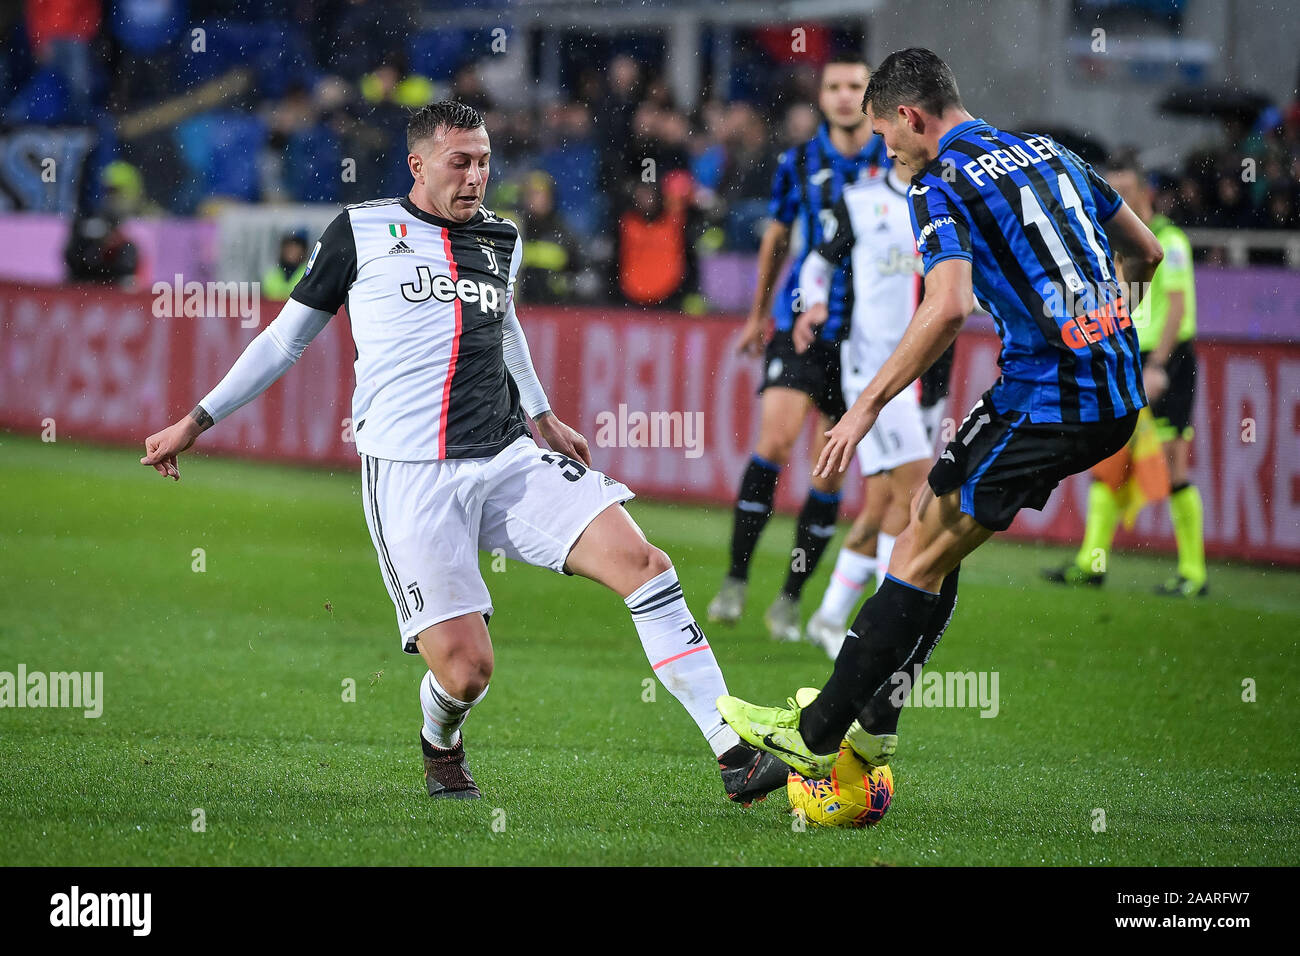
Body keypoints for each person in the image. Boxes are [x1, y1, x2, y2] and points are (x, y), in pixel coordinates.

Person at [140, 101, 787, 806]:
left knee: (645, 564)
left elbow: (504, 324)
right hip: (411, 475)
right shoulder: (360, 231)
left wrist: (541, 413)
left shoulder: (500, 239)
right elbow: (283, 341)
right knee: (467, 671)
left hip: (506, 454)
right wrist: (197, 419)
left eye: (484, 160)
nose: (477, 174)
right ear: (418, 165)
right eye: (461, 161)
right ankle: (441, 742)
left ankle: (733, 754)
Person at [717, 49, 1164, 780]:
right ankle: (872, 734)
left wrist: (863, 406)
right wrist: (1106, 325)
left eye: (889, 138)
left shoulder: (938, 181)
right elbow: (1144, 251)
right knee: (931, 517)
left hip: (1047, 391)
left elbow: (947, 305)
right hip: (1110, 390)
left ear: (912, 116)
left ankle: (818, 734)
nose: (888, 153)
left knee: (917, 548)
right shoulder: (1051, 151)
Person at [708, 56, 889, 642]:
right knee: (774, 440)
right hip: (799, 321)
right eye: (833, 86)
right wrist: (759, 315)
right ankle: (735, 579)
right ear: (821, 95)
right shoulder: (799, 162)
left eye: (854, 87)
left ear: (870, 97)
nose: (842, 96)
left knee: (828, 472)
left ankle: (789, 597)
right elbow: (779, 239)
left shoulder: (894, 161)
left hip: (863, 333)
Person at [1044, 155, 1206, 596]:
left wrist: (1157, 366)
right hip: (1130, 355)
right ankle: (1091, 563)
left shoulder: (1168, 241)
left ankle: (1193, 573)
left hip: (1166, 360)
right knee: (1110, 462)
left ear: (1144, 193)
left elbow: (1175, 308)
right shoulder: (1114, 244)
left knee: (1173, 464)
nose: (1116, 200)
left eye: (1125, 192)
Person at [792, 160, 935, 659]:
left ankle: (831, 617)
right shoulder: (859, 200)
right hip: (875, 373)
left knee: (885, 507)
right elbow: (816, 261)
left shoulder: (949, 201)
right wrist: (809, 304)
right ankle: (882, 631)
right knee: (919, 493)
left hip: (928, 375)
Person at [260, 232, 309, 302]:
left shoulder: (308, 272)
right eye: (289, 247)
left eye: (296, 247)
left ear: (303, 251)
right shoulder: (272, 274)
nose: (292, 251)